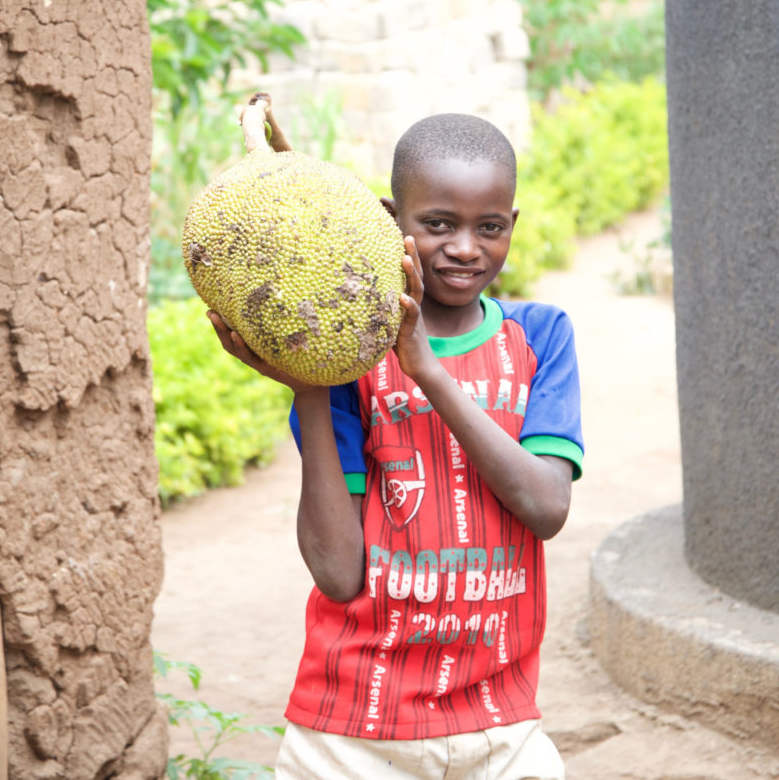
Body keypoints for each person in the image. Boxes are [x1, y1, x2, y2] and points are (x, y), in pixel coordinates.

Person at [210, 106, 584, 779]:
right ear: (392, 221)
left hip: (500, 721)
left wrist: (427, 371)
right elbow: (337, 572)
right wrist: (308, 390)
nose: (465, 247)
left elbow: (546, 507)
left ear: (512, 227)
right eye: (438, 224)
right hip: (351, 727)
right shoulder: (341, 365)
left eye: (489, 227)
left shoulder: (540, 337)